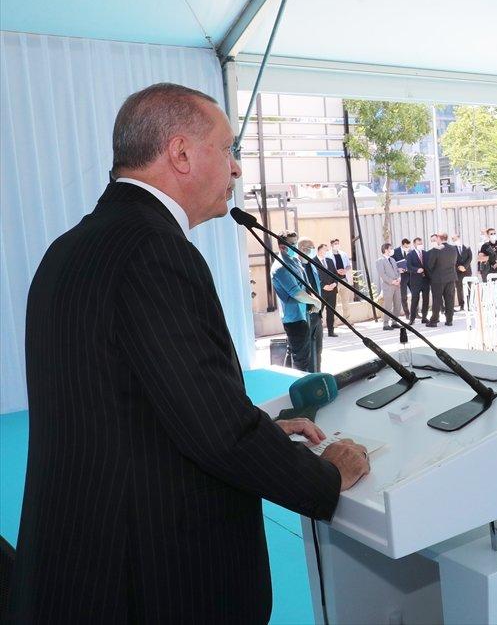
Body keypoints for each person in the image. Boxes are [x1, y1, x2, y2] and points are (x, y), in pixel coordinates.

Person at [12, 83, 369, 623]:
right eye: (228, 150)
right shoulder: (155, 250)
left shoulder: (71, 247)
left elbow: (130, 402)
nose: (237, 171)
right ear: (180, 153)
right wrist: (328, 479)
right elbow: (213, 430)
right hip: (152, 580)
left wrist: (256, 424)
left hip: (81, 565)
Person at [273, 232, 323, 372]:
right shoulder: (280, 268)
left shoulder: (294, 261)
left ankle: (287, 385)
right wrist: (316, 302)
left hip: (304, 315)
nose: (297, 247)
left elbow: (306, 285)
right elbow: (296, 292)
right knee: (300, 362)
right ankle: (298, 390)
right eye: (293, 244)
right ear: (283, 247)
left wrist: (314, 300)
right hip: (295, 319)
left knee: (297, 356)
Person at [425, 233, 458, 327]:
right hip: (451, 278)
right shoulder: (453, 248)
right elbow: (454, 262)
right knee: (450, 299)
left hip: (438, 279)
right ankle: (449, 320)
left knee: (437, 300)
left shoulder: (437, 249)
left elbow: (430, 265)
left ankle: (434, 321)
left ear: (439, 238)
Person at [325, 238, 352, 338]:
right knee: (334, 303)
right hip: (334, 281)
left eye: (338, 243)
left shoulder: (343, 254)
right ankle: (334, 323)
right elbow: (328, 267)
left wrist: (345, 270)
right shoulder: (328, 255)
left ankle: (347, 320)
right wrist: (336, 271)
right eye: (335, 244)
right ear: (331, 245)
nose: (337, 245)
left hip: (344, 280)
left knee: (346, 301)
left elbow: (348, 266)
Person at [376, 243, 404, 329]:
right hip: (388, 286)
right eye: (390, 248)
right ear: (385, 250)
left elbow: (397, 271)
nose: (392, 250)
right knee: (388, 305)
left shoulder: (392, 260)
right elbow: (382, 274)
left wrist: (399, 278)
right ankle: (385, 324)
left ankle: (394, 322)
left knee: (398, 304)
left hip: (397, 285)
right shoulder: (379, 261)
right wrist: (392, 281)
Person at [405, 236, 430, 321]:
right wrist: (417, 270)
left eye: (421, 243)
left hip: (426, 280)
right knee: (415, 299)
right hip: (415, 281)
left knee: (426, 299)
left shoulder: (426, 253)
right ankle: (412, 319)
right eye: (418, 244)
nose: (420, 245)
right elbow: (409, 267)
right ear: (414, 244)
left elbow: (429, 266)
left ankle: (424, 317)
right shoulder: (410, 255)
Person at [451, 233, 472, 310]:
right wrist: (459, 267)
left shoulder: (467, 247)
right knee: (459, 289)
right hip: (458, 272)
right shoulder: (452, 249)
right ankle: (462, 305)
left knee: (468, 287)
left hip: (467, 271)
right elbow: (452, 260)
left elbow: (470, 258)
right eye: (453, 239)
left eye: (455, 238)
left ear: (459, 238)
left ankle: (469, 304)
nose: (454, 240)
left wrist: (464, 267)